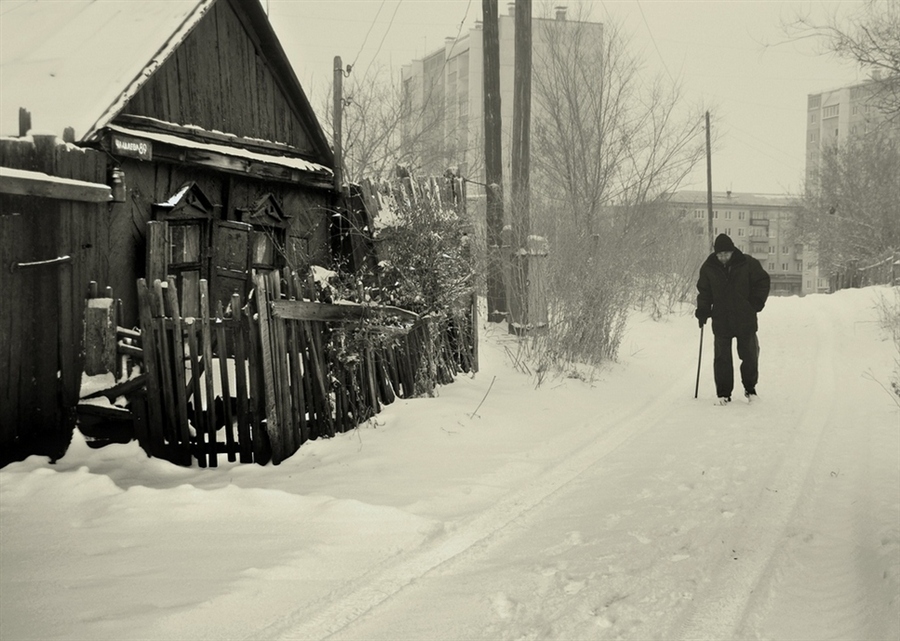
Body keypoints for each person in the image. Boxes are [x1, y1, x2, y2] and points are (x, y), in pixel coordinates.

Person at [695, 233, 771, 405]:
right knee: (722, 358)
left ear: (733, 251)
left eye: (726, 254)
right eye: (720, 254)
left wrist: (756, 302)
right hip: (721, 319)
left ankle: (750, 390)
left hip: (745, 317)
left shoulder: (747, 263)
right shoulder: (709, 268)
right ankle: (723, 394)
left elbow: (763, 281)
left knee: (750, 355)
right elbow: (704, 292)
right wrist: (703, 311)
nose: (723, 258)